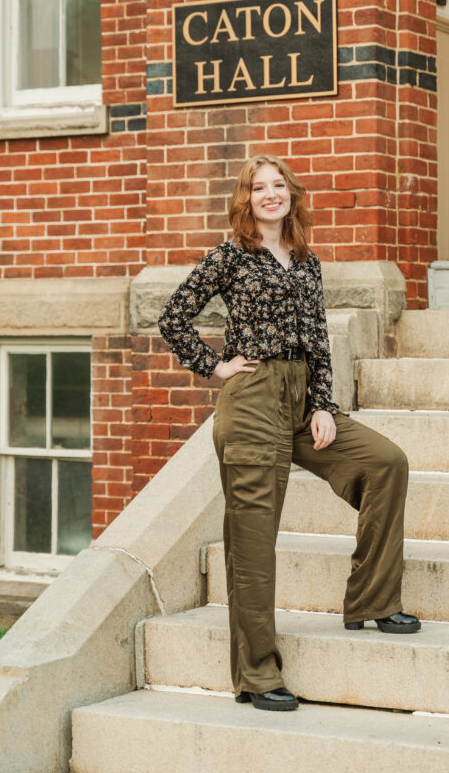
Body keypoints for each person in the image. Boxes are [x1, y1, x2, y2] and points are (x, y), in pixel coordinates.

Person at [158, 154, 419, 713]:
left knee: (384, 463)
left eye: (278, 185)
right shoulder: (231, 256)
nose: (270, 194)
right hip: (252, 402)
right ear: (245, 199)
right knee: (253, 545)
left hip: (301, 401)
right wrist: (214, 366)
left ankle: (371, 599)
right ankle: (256, 675)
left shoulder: (305, 260)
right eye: (259, 187)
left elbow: (319, 339)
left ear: (292, 195)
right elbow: (173, 314)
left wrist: (324, 405)